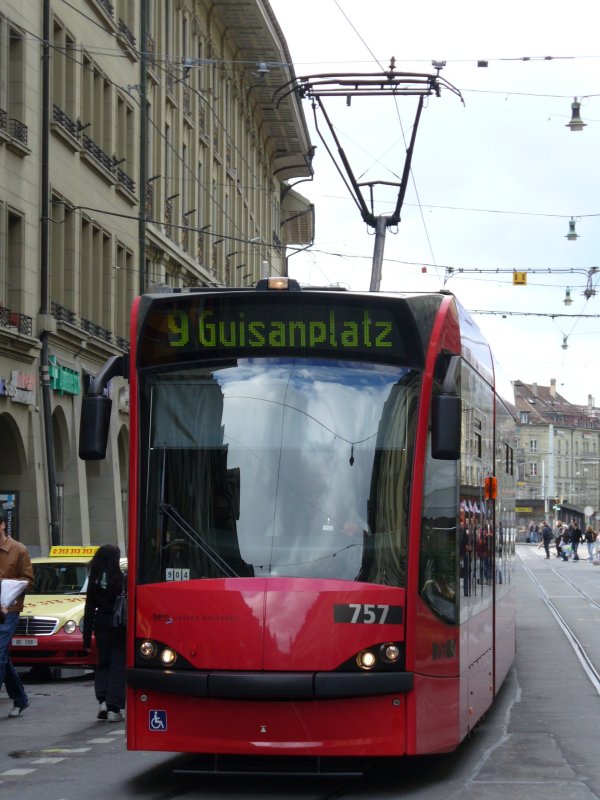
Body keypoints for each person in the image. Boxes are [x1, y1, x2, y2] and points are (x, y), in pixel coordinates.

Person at [82, 544, 126, 722]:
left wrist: (86, 640)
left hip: (100, 625)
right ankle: (113, 709)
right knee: (118, 665)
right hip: (118, 626)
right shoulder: (121, 578)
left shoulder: (94, 579)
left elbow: (89, 608)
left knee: (102, 664)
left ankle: (102, 701)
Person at [0, 510, 35, 717]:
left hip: (8, 610)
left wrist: (9, 594)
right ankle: (20, 699)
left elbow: (29, 581)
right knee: (4, 656)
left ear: (2, 525)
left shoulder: (18, 550)